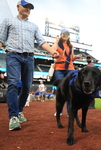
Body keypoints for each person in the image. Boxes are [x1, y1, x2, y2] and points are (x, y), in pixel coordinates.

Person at [0, 0, 59, 131]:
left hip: (29, 57)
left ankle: (19, 111)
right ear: (17, 7)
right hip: (13, 55)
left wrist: (52, 51)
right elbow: (1, 39)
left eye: (30, 8)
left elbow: (41, 42)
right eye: (25, 6)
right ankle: (13, 117)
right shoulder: (8, 21)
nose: (28, 9)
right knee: (14, 83)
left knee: (26, 86)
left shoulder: (33, 26)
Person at [53, 29, 82, 116]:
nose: (65, 36)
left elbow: (71, 59)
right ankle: (59, 110)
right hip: (59, 68)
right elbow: (52, 51)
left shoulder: (70, 46)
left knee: (70, 89)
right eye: (64, 34)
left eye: (67, 34)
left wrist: (75, 58)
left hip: (70, 68)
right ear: (61, 35)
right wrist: (56, 41)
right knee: (60, 90)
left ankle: (70, 111)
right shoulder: (57, 44)